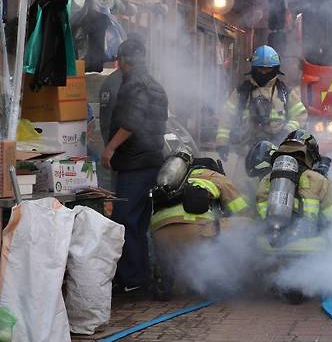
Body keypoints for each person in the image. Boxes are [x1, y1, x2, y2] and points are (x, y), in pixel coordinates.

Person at [101, 37, 168, 295]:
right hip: (152, 160)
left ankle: (132, 279)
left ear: (122, 62)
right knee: (139, 222)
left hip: (134, 163)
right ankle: (139, 276)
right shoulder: (155, 85)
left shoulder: (133, 85)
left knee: (124, 219)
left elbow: (131, 121)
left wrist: (110, 148)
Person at [150, 157, 252, 298]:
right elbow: (241, 209)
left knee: (173, 243)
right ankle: (219, 275)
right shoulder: (214, 177)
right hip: (194, 234)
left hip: (160, 234)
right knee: (247, 223)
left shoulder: (174, 180)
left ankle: (163, 276)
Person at [215, 45, 307, 161]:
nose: (263, 72)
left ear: (275, 68)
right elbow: (226, 117)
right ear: (253, 68)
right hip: (246, 154)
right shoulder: (242, 92)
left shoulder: (284, 92)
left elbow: (300, 115)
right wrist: (222, 143)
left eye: (268, 69)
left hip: (277, 153)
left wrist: (285, 132)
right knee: (241, 180)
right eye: (260, 68)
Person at [254, 130, 332, 244]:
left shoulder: (267, 179)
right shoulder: (317, 179)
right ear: (310, 154)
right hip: (310, 246)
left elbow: (260, 212)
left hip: (272, 244)